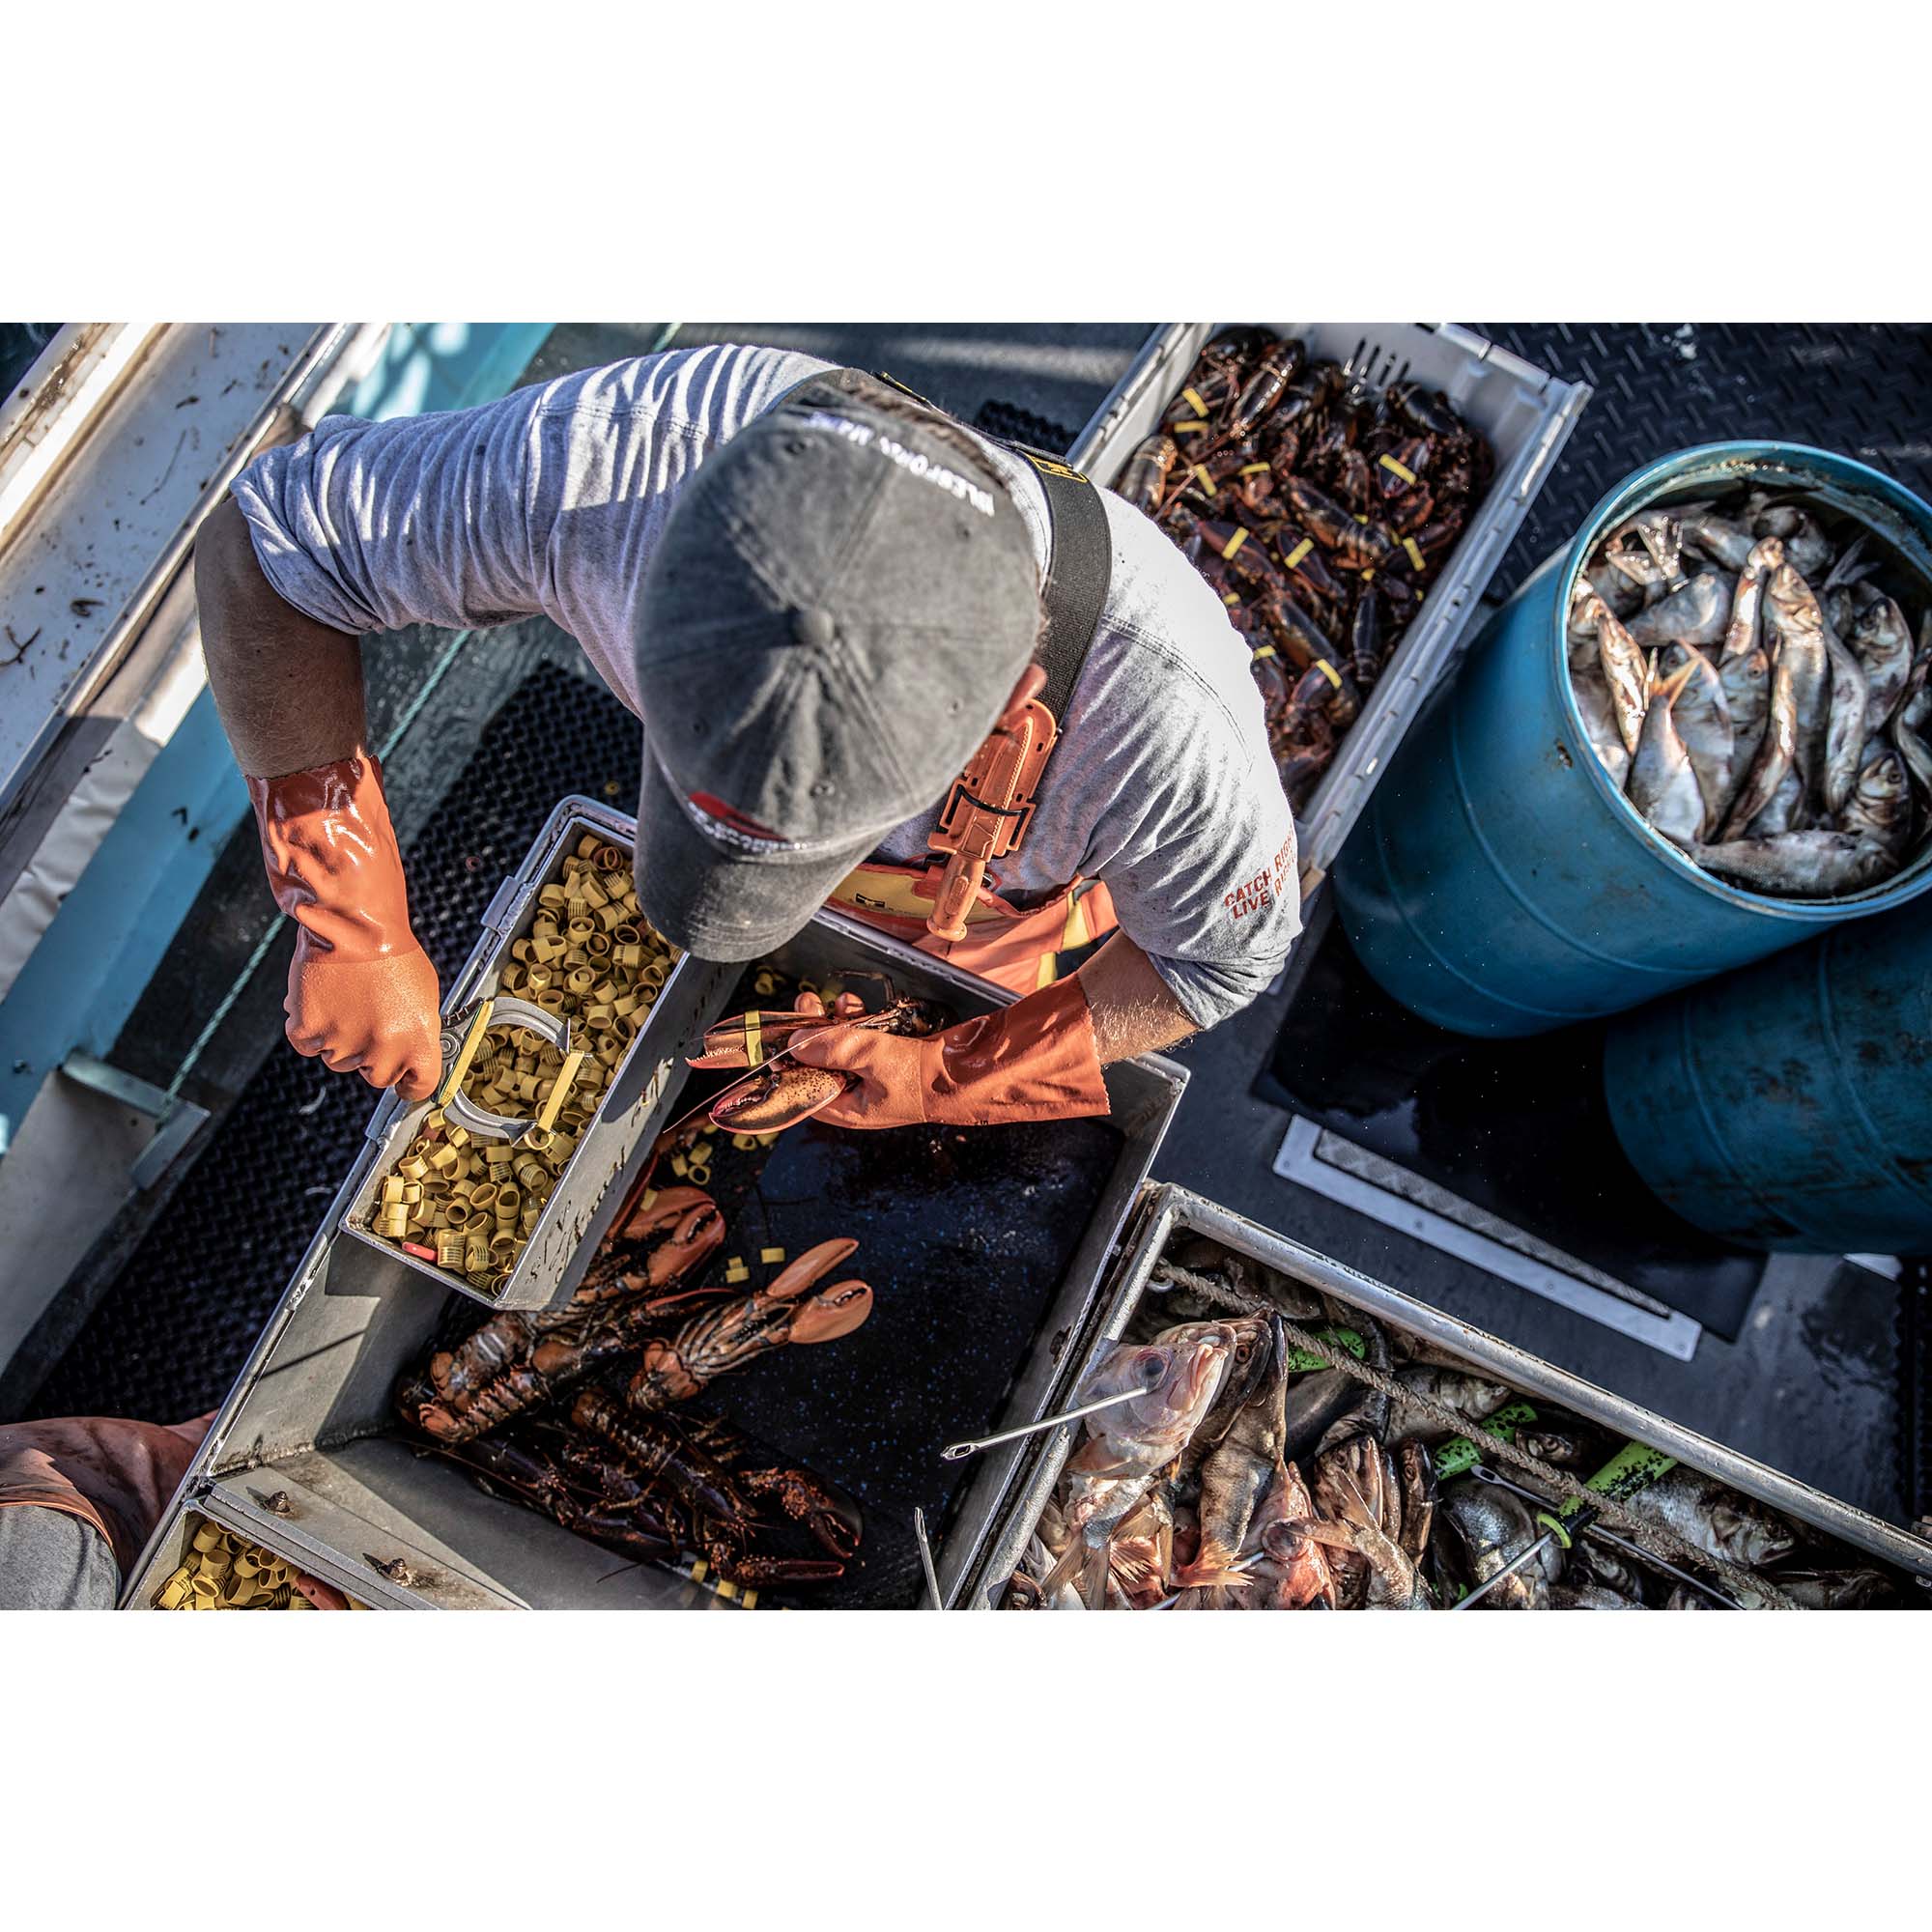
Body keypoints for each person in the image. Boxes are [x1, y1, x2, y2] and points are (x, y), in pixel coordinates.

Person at [194, 346, 1301, 1130]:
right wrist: (348, 915)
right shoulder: (602, 469)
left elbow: (1212, 959)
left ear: (1004, 708)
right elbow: (265, 542)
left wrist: (951, 1072)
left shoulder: (1168, 733)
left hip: (991, 923)